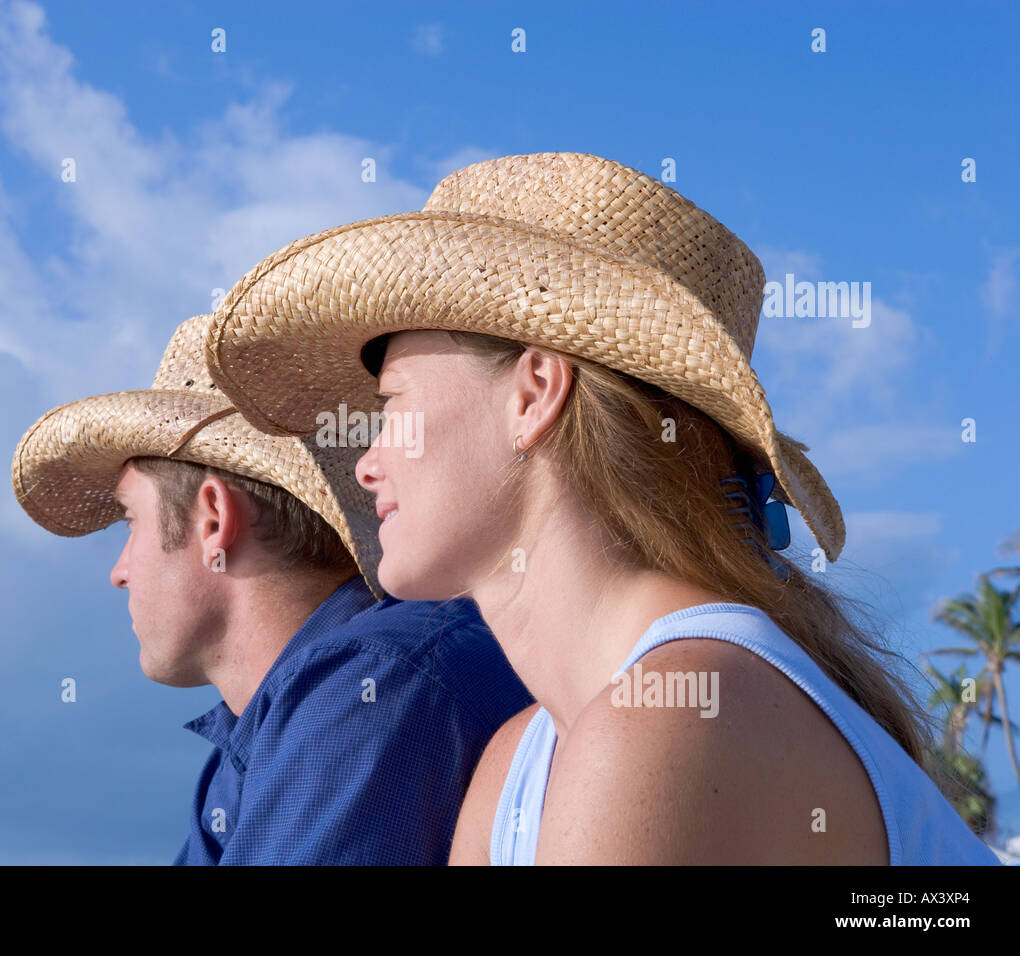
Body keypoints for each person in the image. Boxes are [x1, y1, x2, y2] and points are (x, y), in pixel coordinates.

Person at [202, 152, 1003, 865]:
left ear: (534, 394)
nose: (367, 463)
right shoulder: (523, 760)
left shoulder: (665, 727)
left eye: (393, 405)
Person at [11, 312, 531, 864]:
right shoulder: (257, 732)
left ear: (214, 520)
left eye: (130, 520)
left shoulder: (374, 679)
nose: (118, 572)